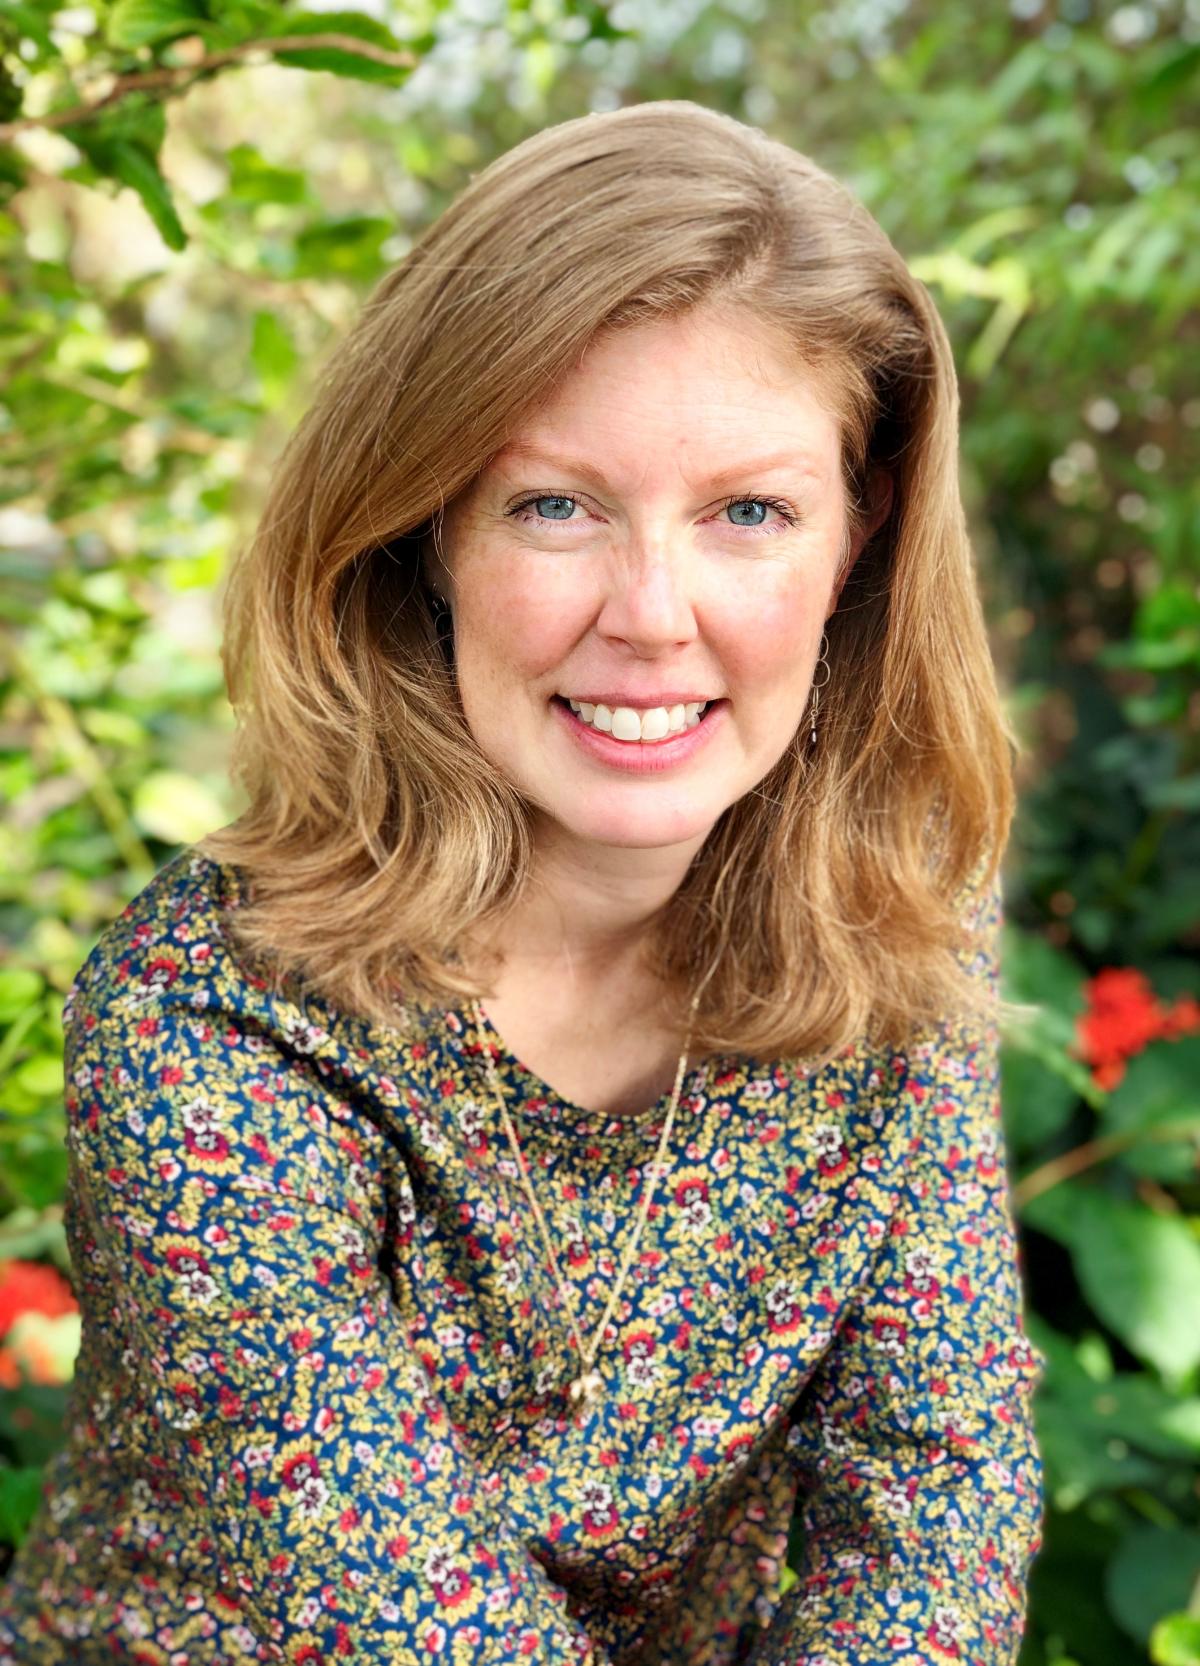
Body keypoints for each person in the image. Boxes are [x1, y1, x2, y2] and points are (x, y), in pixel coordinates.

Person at [0, 99, 1046, 1666]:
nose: (651, 612)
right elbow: (423, 1629)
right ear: (424, 525)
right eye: (556, 504)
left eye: (748, 512)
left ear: (859, 538)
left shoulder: (893, 938)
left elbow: (938, 1517)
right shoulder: (205, 1018)